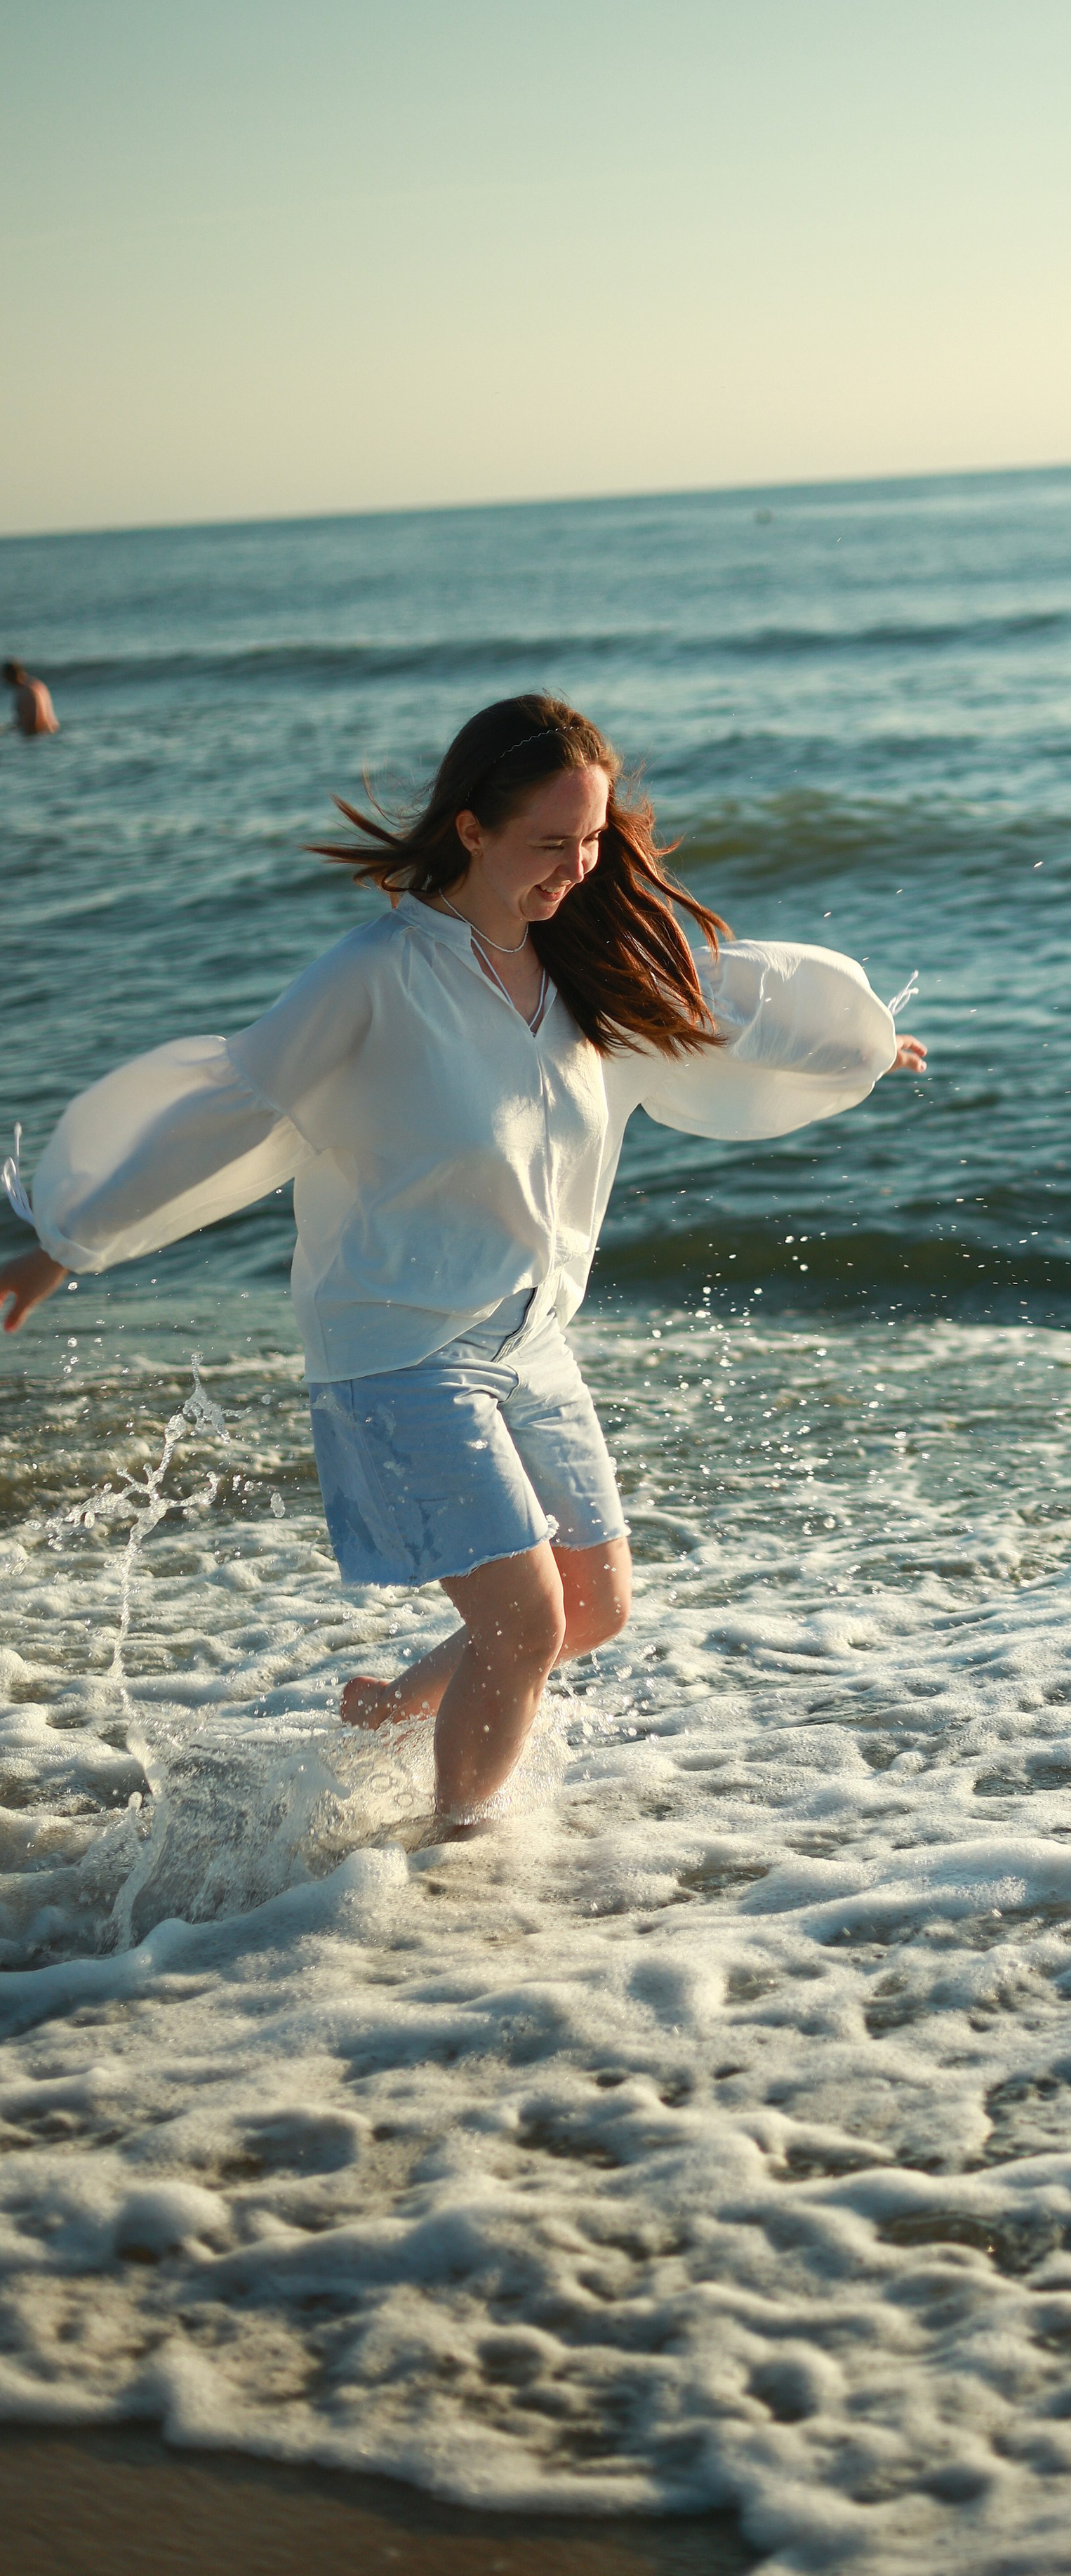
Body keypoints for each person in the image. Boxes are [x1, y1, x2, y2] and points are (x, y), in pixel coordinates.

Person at [0, 694, 925, 1823]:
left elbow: (725, 1008)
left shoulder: (582, 968)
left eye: (593, 841)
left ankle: (395, 1706)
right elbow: (231, 1113)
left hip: (529, 1338)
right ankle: (455, 1869)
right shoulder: (375, 976)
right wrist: (61, 1244)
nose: (578, 868)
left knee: (592, 1610)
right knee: (525, 1624)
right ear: (473, 830)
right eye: (551, 844)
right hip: (398, 1346)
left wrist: (864, 1047)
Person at [4, 660, 58, 736]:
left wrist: (29, 741)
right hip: (48, 732)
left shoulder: (28, 690)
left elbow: (36, 721)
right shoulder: (33, 684)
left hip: (40, 735)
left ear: (10, 675)